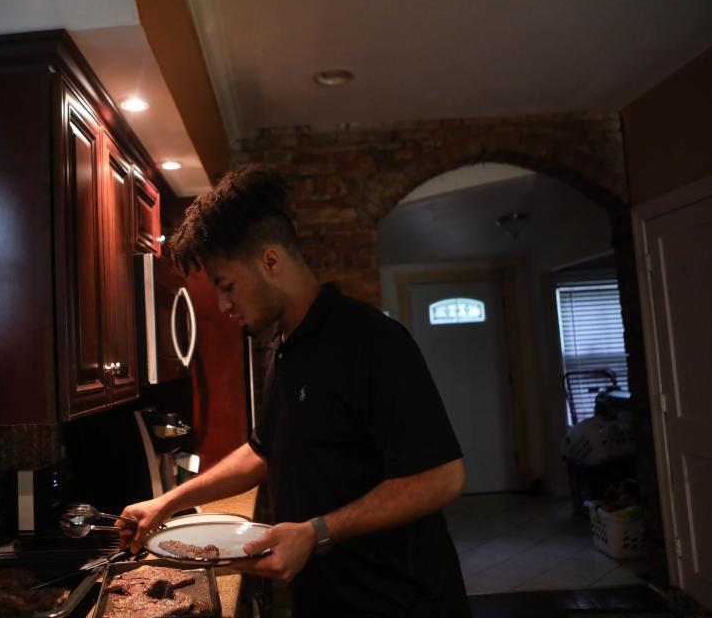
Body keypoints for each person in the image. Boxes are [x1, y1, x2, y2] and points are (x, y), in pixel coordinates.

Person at [119, 166, 470, 617]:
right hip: (329, 599)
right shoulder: (285, 346)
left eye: (227, 287)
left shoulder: (372, 341)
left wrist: (317, 531)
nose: (223, 306)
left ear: (270, 261)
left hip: (400, 600)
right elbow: (265, 449)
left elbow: (442, 477)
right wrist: (168, 503)